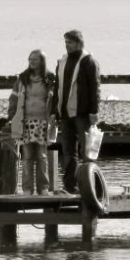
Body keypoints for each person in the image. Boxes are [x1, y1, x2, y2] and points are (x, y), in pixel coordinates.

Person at [50, 29, 101, 193]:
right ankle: (70, 186)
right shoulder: (62, 61)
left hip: (82, 113)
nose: (67, 45)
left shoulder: (88, 61)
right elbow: (57, 87)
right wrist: (54, 111)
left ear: (79, 43)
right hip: (65, 113)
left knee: (87, 152)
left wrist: (94, 111)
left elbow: (95, 87)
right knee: (68, 152)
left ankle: (90, 184)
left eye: (70, 42)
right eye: (65, 42)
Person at [8, 49, 55, 195]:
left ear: (42, 61)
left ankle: (44, 188)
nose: (32, 62)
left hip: (43, 122)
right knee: (27, 156)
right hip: (25, 121)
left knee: (42, 156)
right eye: (30, 59)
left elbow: (56, 100)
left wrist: (54, 116)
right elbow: (13, 98)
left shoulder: (50, 78)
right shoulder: (22, 78)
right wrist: (11, 116)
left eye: (35, 59)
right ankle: (27, 189)